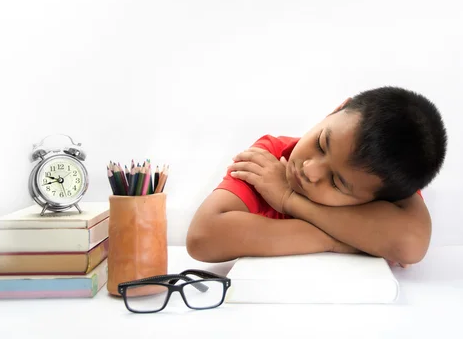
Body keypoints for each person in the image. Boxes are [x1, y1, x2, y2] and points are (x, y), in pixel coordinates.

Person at [186, 86, 447, 268]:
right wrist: (342, 242)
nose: (309, 170)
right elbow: (203, 236)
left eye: (337, 182)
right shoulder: (271, 157)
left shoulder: (388, 178)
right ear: (336, 110)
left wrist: (289, 199)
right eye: (322, 143)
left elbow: (411, 246)